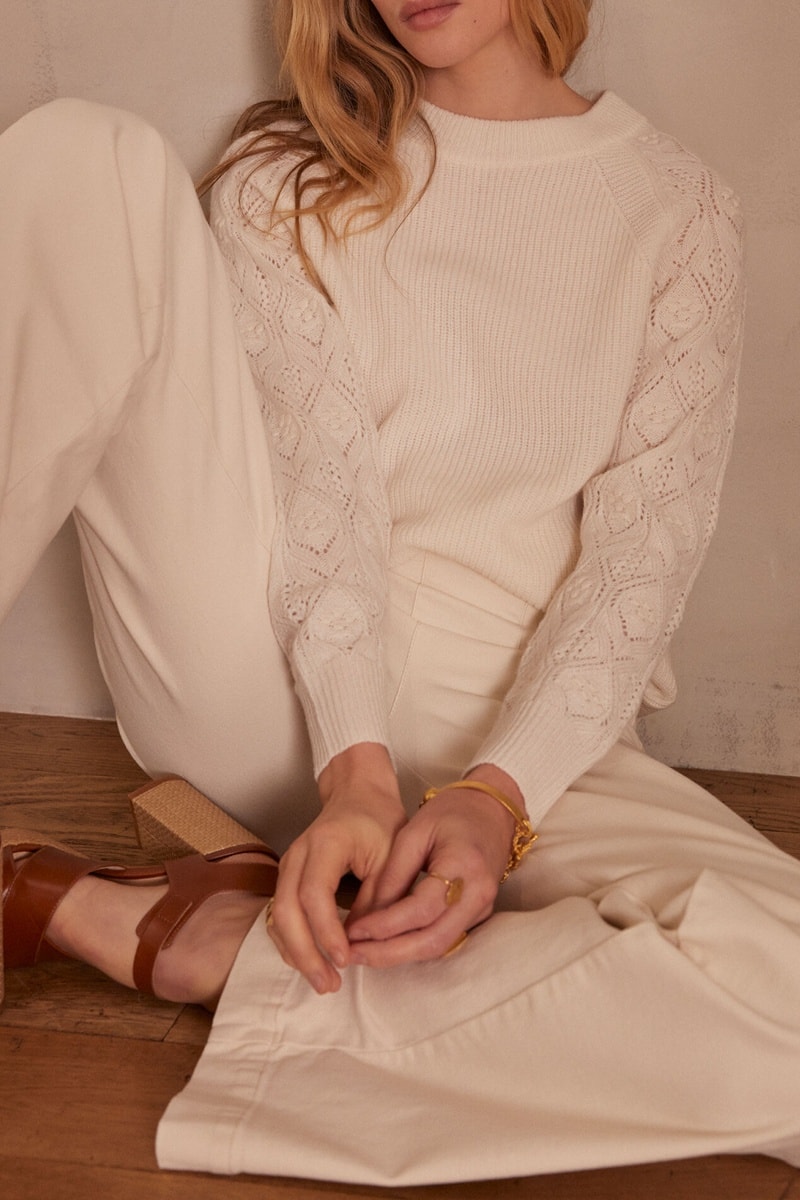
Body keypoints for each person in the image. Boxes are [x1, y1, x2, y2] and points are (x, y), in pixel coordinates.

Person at [2, 0, 800, 1186]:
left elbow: (640, 561)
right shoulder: (289, 179)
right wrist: (356, 770)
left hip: (540, 746)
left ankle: (206, 943)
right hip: (271, 684)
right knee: (85, 158)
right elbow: (328, 512)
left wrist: (497, 795)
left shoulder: (678, 211)